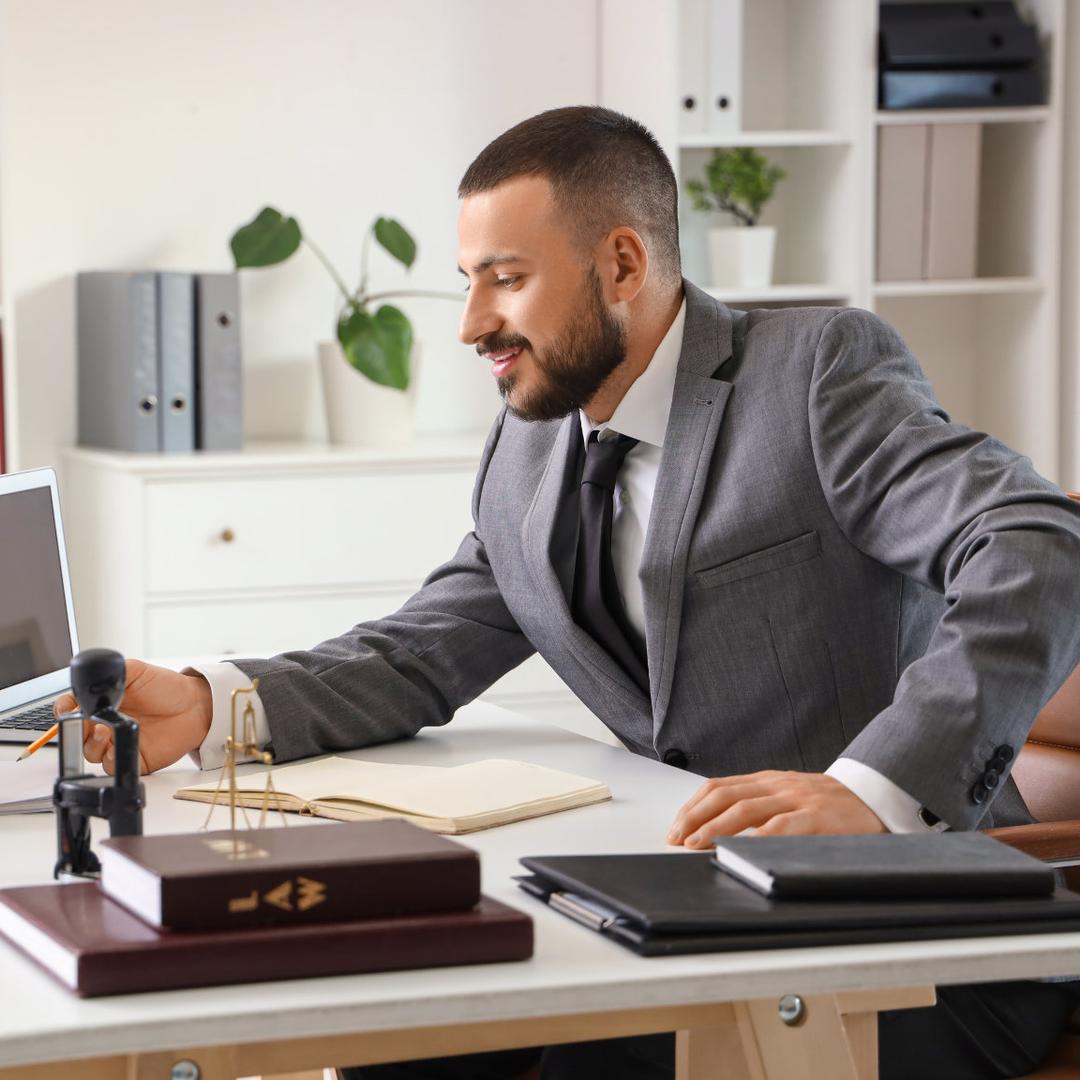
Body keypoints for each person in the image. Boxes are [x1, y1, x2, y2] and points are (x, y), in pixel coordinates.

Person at [59, 106, 1080, 1079]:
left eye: (504, 279)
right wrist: (209, 702)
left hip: (922, 948)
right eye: (468, 281)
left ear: (623, 264)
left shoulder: (812, 375)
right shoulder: (531, 439)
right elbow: (426, 645)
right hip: (685, 911)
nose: (469, 324)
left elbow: (1037, 543)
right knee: (400, 1028)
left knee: (594, 1051)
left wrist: (872, 793)